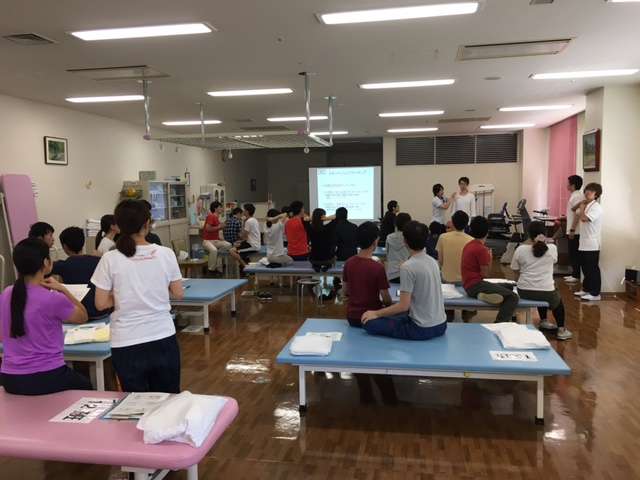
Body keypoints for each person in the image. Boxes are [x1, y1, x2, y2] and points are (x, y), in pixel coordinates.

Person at [92, 199, 184, 393]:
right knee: (168, 400)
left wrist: (123, 294)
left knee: (135, 403)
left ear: (119, 226)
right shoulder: (165, 254)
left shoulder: (110, 258)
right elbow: (178, 293)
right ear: (147, 223)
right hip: (162, 337)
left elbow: (100, 303)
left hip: (126, 342)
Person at [0, 238, 91, 395]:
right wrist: (63, 290)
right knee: (87, 386)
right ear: (46, 262)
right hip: (46, 376)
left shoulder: (6, 293)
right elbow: (83, 316)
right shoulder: (53, 298)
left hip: (10, 378)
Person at [361, 221, 447, 340]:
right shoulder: (432, 261)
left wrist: (375, 313)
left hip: (420, 329)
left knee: (369, 323)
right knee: (391, 317)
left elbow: (403, 306)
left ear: (405, 241)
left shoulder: (408, 267)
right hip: (441, 325)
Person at [342, 222, 397, 404]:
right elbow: (386, 299)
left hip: (352, 317)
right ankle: (390, 399)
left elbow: (345, 291)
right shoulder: (377, 267)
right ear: (375, 242)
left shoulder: (349, 263)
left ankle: (365, 394)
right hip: (372, 319)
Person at [511, 222, 572, 340]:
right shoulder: (552, 248)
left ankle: (544, 321)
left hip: (524, 291)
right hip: (547, 292)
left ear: (529, 234)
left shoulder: (520, 249)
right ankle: (561, 330)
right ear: (545, 233)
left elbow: (515, 270)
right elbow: (553, 260)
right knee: (556, 300)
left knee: (540, 290)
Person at [462, 216, 519, 323]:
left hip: (468, 285)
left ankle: (481, 295)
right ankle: (499, 324)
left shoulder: (468, 245)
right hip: (476, 285)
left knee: (509, 286)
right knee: (513, 297)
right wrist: (490, 258)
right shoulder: (481, 249)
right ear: (487, 232)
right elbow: (486, 274)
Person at [52, 226, 112, 319]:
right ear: (83, 243)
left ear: (65, 247)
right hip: (101, 313)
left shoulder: (63, 265)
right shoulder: (99, 261)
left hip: (77, 314)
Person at [574, 183, 603, 301]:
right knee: (585, 268)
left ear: (596, 194)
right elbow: (573, 210)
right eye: (586, 190)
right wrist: (582, 204)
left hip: (592, 243)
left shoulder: (596, 207)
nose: (587, 192)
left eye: (591, 191)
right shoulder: (587, 205)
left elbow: (584, 218)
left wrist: (582, 207)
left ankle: (595, 293)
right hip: (583, 242)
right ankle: (586, 289)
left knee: (592, 269)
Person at [436, 211, 472, 284]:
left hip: (446, 279)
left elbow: (440, 261)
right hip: (465, 280)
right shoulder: (471, 240)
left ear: (452, 222)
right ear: (467, 224)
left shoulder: (442, 237)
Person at [202, 201, 232, 274]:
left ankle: (216, 259)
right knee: (214, 250)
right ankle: (211, 270)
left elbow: (217, 230)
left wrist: (221, 229)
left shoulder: (217, 218)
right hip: (207, 241)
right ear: (215, 209)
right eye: (220, 207)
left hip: (215, 240)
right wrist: (219, 227)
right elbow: (208, 228)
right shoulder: (211, 216)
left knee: (228, 245)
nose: (222, 209)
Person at [565, 175, 585, 284]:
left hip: (576, 231)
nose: (566, 185)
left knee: (574, 253)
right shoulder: (575, 195)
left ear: (572, 185)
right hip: (573, 229)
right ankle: (574, 273)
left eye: (568, 183)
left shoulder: (577, 196)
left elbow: (577, 214)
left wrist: (572, 230)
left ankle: (576, 275)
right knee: (572, 252)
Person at [229, 203, 261, 268]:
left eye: (244, 210)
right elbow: (246, 237)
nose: (243, 212)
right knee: (237, 247)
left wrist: (242, 223)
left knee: (232, 251)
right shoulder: (254, 220)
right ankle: (245, 265)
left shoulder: (248, 221)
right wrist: (240, 242)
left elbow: (243, 236)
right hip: (252, 242)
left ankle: (246, 267)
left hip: (252, 245)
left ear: (247, 211)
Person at [307, 208, 337, 272]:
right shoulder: (328, 228)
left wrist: (315, 218)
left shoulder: (310, 228)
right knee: (332, 256)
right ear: (323, 217)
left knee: (314, 256)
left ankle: (316, 266)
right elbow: (336, 217)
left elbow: (304, 220)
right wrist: (326, 218)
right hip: (328, 259)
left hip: (314, 259)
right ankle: (327, 266)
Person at [385, 213, 412, 283]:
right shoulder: (410, 238)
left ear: (395, 224)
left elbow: (387, 255)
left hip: (391, 273)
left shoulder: (389, 237)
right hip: (406, 272)